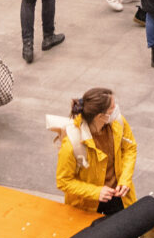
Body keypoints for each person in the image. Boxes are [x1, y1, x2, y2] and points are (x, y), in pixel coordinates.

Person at [53, 87, 137, 215]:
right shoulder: (72, 144)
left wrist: (125, 180)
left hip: (119, 197)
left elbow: (130, 148)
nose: (116, 109)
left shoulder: (118, 123)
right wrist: (96, 192)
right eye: (112, 107)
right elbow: (63, 181)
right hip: (87, 205)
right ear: (100, 116)